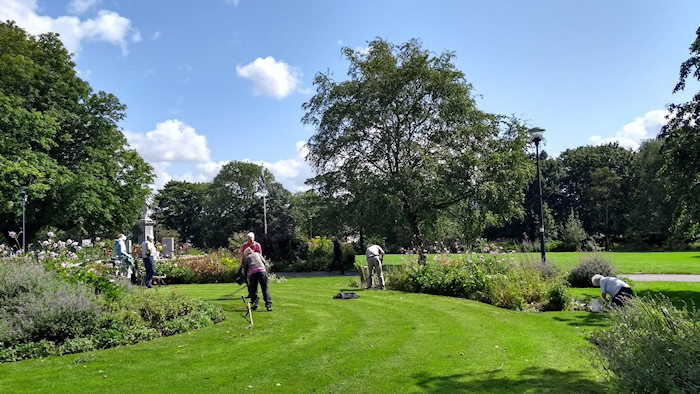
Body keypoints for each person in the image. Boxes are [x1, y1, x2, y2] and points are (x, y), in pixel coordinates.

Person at [240, 247, 272, 311]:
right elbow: (264, 262)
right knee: (265, 289)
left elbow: (245, 271)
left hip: (252, 273)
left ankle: (254, 306)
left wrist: (247, 281)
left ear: (246, 254)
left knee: (254, 290)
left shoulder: (246, 259)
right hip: (262, 271)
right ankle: (268, 306)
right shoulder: (257, 254)